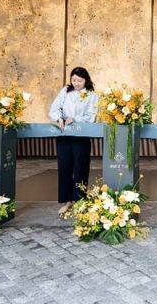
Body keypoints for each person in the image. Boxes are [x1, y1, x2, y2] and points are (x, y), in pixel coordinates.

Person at [48, 67, 98, 216]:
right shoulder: (65, 91)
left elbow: (91, 116)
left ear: (86, 80)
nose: (76, 83)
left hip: (81, 136)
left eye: (79, 81)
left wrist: (75, 118)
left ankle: (79, 201)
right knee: (64, 168)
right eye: (73, 80)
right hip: (64, 134)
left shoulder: (92, 95)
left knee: (80, 168)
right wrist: (58, 118)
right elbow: (54, 108)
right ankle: (67, 201)